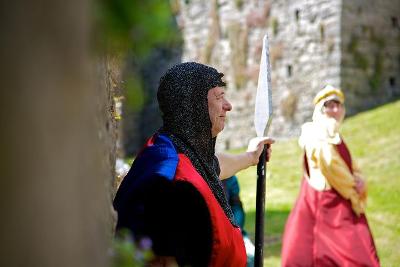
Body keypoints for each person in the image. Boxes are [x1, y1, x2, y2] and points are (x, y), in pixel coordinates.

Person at [113, 62, 274, 267]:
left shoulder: (180, 149)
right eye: (218, 97)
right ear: (194, 106)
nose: (228, 105)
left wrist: (251, 157)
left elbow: (212, 167)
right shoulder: (169, 177)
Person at [281, 85, 380, 266]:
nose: (335, 110)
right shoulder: (314, 132)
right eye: (329, 105)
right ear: (321, 109)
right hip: (325, 204)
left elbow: (350, 164)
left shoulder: (334, 134)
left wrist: (360, 180)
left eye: (338, 105)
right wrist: (353, 187)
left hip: (340, 201)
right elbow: (329, 164)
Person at [222, 175, 255, 267]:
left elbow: (237, 207)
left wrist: (235, 230)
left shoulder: (230, 178)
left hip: (234, 232)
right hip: (215, 235)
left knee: (251, 257)